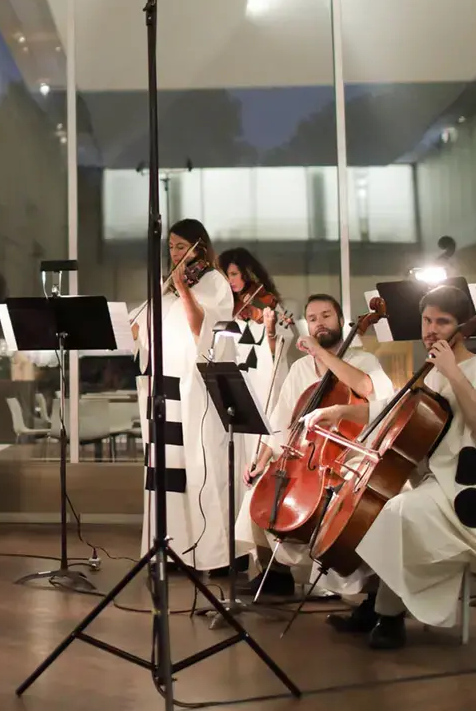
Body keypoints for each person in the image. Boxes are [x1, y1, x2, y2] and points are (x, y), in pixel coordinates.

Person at [310, 285, 476, 649]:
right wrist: (341, 411)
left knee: (395, 513)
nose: (431, 329)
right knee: (374, 508)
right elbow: (396, 411)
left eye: (442, 322)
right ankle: (378, 606)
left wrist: (455, 374)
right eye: (427, 320)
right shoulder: (430, 372)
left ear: (461, 326)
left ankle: (388, 616)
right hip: (435, 481)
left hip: (471, 493)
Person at [234, 294, 393, 598]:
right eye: (313, 318)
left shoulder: (362, 359)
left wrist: (320, 352)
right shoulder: (300, 370)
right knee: (260, 490)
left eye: (326, 316)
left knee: (343, 505)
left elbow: (367, 388)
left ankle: (363, 587)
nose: (320, 323)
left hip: (351, 456)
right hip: (311, 457)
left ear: (339, 320)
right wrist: (261, 459)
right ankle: (276, 576)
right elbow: (282, 421)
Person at [131, 219, 234, 574]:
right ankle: (170, 548)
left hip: (194, 388)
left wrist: (183, 290)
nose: (174, 253)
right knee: (166, 473)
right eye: (171, 247)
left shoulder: (213, 281)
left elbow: (203, 329)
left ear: (199, 247)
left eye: (180, 246)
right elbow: (138, 324)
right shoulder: (168, 286)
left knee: (198, 468)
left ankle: (210, 554)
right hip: (163, 386)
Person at [217, 247, 297, 489]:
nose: (230, 281)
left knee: (264, 441)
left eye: (233, 274)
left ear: (247, 274)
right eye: (226, 275)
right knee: (240, 448)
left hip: (265, 384)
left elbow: (279, 349)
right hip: (241, 384)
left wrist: (271, 331)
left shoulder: (267, 305)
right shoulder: (228, 308)